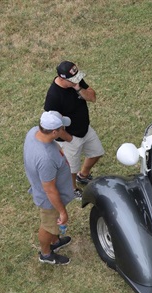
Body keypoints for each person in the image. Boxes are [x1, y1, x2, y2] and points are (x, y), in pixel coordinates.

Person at [44, 60, 105, 199]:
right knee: (70, 168)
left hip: (85, 129)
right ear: (61, 78)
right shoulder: (53, 96)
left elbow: (92, 97)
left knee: (97, 152)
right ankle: (72, 189)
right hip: (69, 137)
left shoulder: (76, 81)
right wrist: (69, 139)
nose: (76, 81)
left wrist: (78, 88)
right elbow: (52, 124)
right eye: (72, 80)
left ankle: (83, 175)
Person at [24, 111, 75, 265]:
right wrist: (62, 212)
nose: (64, 130)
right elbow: (50, 190)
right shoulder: (45, 158)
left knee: (52, 226)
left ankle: (54, 241)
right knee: (48, 226)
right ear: (54, 132)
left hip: (49, 192)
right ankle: (46, 254)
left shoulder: (33, 132)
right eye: (62, 128)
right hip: (49, 201)